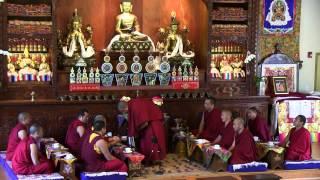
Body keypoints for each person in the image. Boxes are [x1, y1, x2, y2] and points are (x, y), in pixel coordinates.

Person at [128, 97, 166, 164]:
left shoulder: (135, 105)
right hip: (157, 123)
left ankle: (152, 160)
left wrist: (137, 131)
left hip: (152, 125)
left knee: (148, 142)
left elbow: (145, 123)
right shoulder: (138, 103)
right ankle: (155, 159)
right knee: (154, 143)